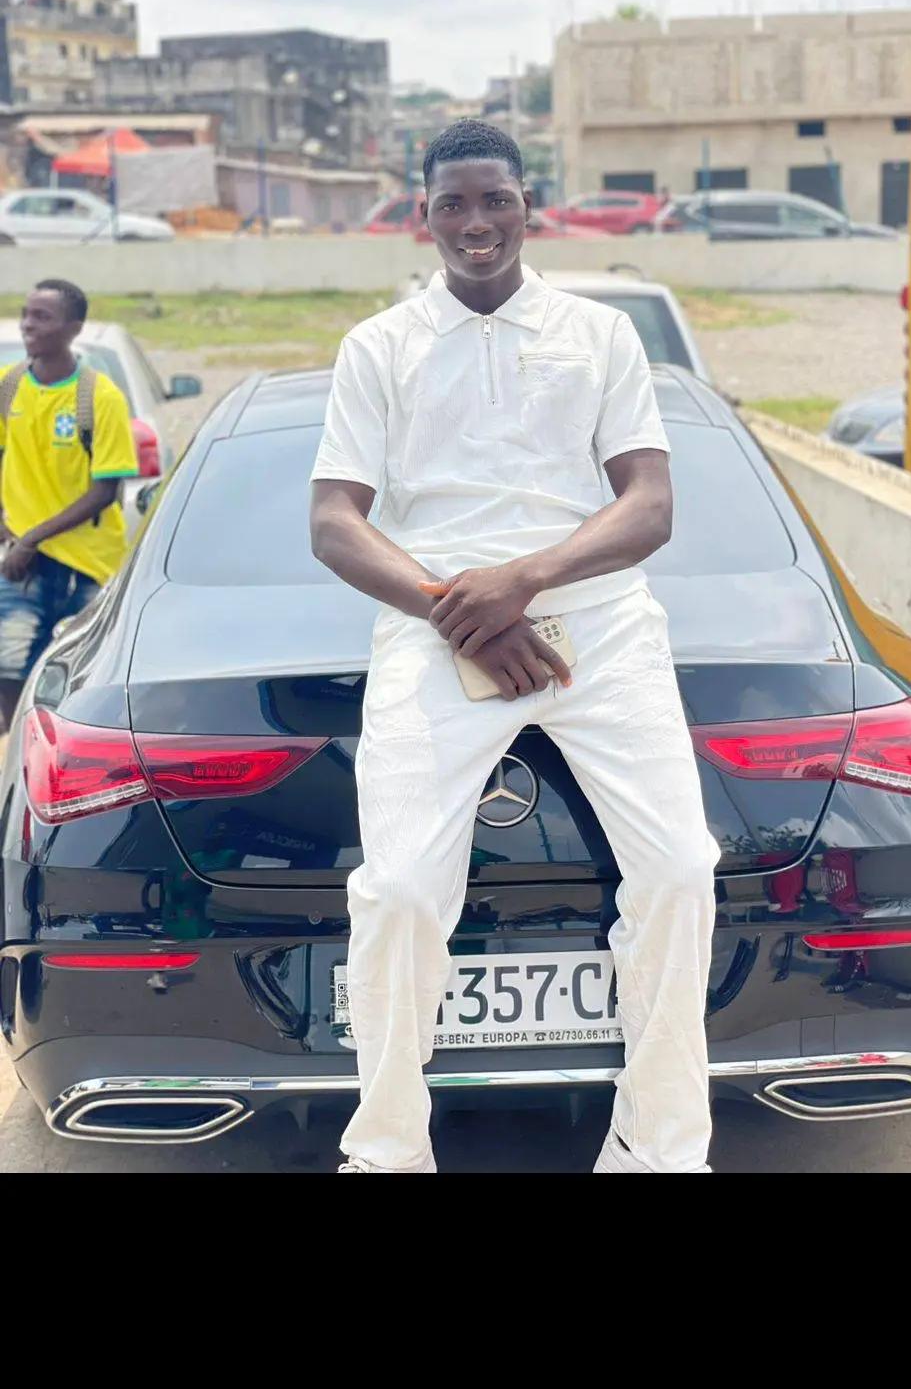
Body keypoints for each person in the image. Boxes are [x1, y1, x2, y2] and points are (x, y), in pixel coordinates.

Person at [310, 120, 719, 1175]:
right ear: (424, 216)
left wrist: (523, 580)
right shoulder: (380, 345)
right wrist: (464, 611)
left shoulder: (601, 333)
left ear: (528, 205)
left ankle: (658, 1147)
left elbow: (650, 504)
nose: (476, 222)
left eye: (495, 199)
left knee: (681, 872)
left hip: (602, 624)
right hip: (434, 626)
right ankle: (388, 1151)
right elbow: (335, 521)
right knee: (399, 891)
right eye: (453, 203)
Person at [0, 278, 138, 731]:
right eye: (26, 314)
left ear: (73, 328)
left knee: (81, 677)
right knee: (10, 668)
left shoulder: (99, 397)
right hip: (22, 562)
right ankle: (16, 752)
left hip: (87, 564)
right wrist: (9, 530)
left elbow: (105, 491)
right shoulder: (9, 386)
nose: (28, 325)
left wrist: (31, 539)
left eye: (42, 317)